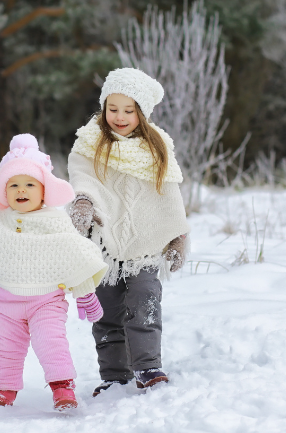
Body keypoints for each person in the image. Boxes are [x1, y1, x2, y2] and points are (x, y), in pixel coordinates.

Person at [0, 134, 107, 411]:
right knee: (6, 347)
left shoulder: (55, 221)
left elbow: (74, 255)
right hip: (6, 302)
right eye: (13, 185)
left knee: (51, 343)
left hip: (47, 301)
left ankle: (63, 387)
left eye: (29, 184)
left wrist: (85, 293)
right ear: (4, 191)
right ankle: (5, 388)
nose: (21, 190)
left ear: (44, 190)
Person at [66, 68, 190, 396]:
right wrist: (84, 201)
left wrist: (177, 235)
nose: (119, 117)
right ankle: (113, 375)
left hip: (146, 246)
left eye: (128, 110)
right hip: (103, 243)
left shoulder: (157, 147)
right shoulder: (90, 142)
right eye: (113, 108)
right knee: (106, 313)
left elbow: (169, 192)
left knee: (145, 302)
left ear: (142, 113)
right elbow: (82, 176)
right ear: (104, 106)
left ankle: (148, 367)